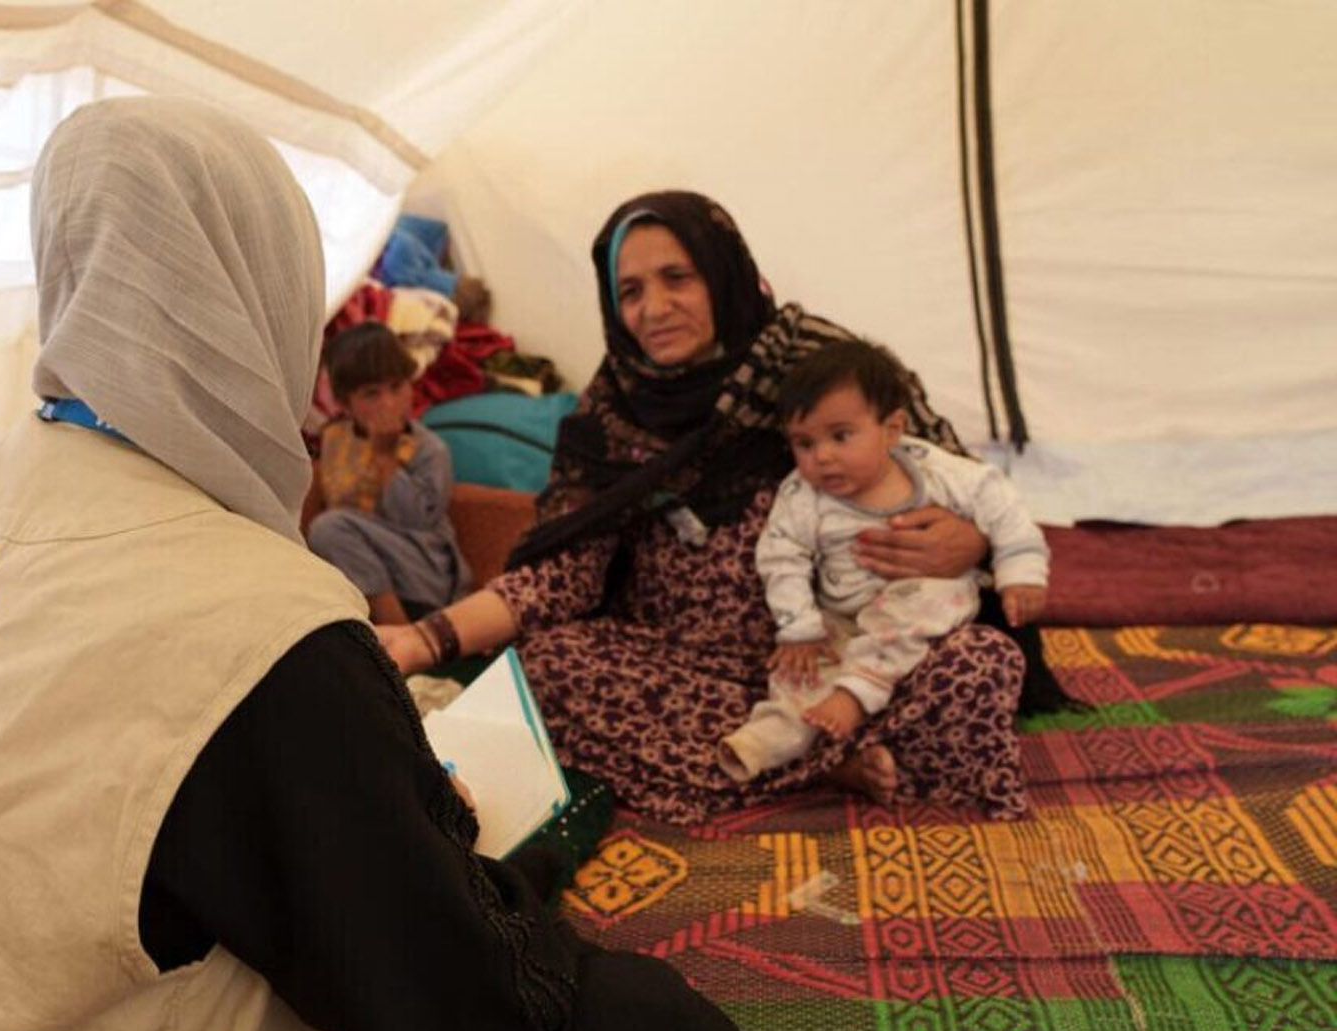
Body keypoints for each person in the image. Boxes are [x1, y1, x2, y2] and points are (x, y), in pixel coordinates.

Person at [0, 101, 762, 1031]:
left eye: (677, 279)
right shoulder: (258, 626)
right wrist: (410, 813)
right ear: (264, 296)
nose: (653, 307)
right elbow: (462, 1002)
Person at [381, 190, 1033, 826]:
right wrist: (424, 638)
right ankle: (824, 759)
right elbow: (564, 573)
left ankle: (799, 744)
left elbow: (949, 475)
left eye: (677, 278)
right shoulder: (615, 407)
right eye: (630, 291)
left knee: (979, 663)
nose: (654, 308)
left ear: (724, 274)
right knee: (548, 666)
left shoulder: (818, 372)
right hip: (680, 663)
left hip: (834, 652)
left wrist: (974, 542)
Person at [720, 340, 1050, 782]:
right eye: (804, 443)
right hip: (843, 621)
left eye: (841, 436)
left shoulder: (938, 472)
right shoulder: (802, 494)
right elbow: (782, 558)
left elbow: (1002, 505)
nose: (822, 456)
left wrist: (1020, 572)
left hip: (920, 619)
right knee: (797, 668)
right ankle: (773, 736)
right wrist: (799, 627)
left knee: (934, 597)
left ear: (892, 429)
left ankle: (856, 696)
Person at [306, 321, 472, 625]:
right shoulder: (336, 439)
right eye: (371, 394)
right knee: (327, 534)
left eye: (397, 387)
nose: (389, 403)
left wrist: (385, 456)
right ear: (346, 403)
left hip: (425, 575)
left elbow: (416, 521)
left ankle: (404, 635)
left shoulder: (429, 449)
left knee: (329, 528)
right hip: (360, 565)